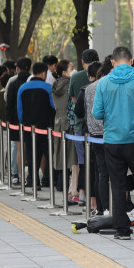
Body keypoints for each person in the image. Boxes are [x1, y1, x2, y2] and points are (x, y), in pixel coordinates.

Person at [92, 46, 134, 240]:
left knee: (118, 186)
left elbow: (97, 113)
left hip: (113, 141)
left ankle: (122, 230)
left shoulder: (103, 83)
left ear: (112, 62)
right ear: (131, 61)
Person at [17, 62, 55, 189]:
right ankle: (48, 179)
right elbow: (53, 107)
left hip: (28, 127)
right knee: (49, 153)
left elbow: (20, 110)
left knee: (31, 153)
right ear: (44, 73)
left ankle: (33, 180)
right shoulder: (48, 88)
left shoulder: (22, 88)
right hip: (45, 128)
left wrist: (24, 122)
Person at [69, 49, 100, 205]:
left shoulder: (75, 77)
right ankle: (95, 199)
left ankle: (82, 193)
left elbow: (74, 100)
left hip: (79, 125)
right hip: (99, 126)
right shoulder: (102, 74)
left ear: (82, 61)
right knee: (97, 162)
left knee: (82, 160)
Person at [81, 60, 110, 214]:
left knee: (100, 172)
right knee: (114, 173)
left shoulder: (88, 88)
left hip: (94, 135)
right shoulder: (108, 86)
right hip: (110, 134)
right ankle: (111, 206)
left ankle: (102, 207)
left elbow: (85, 112)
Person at [51, 61, 78, 195]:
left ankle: (61, 185)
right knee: (72, 157)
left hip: (58, 120)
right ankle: (70, 188)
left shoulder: (55, 84)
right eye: (71, 68)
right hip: (69, 121)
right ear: (64, 72)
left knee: (61, 155)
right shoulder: (69, 84)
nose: (74, 70)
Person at [6, 57, 32, 186]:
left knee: (19, 147)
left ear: (17, 69)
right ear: (30, 68)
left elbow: (9, 104)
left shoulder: (13, 83)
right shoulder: (33, 81)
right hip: (34, 120)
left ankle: (20, 176)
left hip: (17, 120)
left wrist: (9, 121)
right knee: (34, 147)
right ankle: (36, 176)